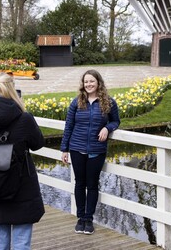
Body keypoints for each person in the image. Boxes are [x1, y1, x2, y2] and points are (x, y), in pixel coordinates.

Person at [0, 72, 45, 250]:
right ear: (12, 90)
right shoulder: (23, 118)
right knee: (21, 243)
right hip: (22, 186)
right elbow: (37, 144)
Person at [60, 69, 120, 235]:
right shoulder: (77, 102)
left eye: (92, 81)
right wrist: (64, 149)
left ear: (98, 83)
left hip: (96, 150)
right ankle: (80, 218)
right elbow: (68, 126)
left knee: (92, 184)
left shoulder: (108, 102)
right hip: (77, 148)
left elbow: (116, 121)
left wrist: (107, 128)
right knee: (80, 183)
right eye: (86, 82)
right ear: (83, 84)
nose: (89, 84)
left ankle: (89, 219)